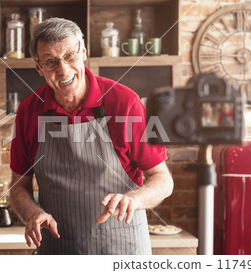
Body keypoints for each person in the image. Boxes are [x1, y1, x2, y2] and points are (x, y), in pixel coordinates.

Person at [10, 18, 173, 255]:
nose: (63, 70)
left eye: (70, 56)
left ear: (83, 53)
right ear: (38, 67)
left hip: (122, 249)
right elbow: (18, 186)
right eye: (51, 62)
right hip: (58, 250)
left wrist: (134, 200)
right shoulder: (28, 111)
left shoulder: (125, 103)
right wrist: (32, 213)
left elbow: (162, 179)